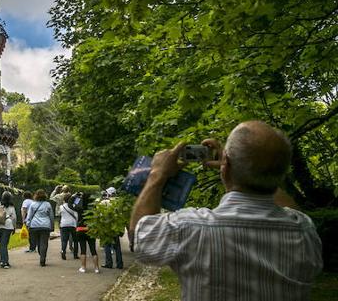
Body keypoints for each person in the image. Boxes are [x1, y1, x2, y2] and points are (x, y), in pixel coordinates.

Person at [129, 121, 323, 301]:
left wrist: (157, 174)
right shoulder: (303, 231)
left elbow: (140, 236)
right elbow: (290, 209)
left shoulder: (191, 229)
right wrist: (241, 167)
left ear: (226, 166)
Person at [25, 189, 54, 266]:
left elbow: (29, 216)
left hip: (34, 226)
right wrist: (52, 226)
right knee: (44, 243)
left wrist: (28, 224)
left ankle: (41, 254)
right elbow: (51, 216)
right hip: (45, 226)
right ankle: (42, 258)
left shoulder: (33, 204)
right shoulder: (48, 204)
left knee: (38, 243)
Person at [72, 192, 100, 273]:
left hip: (81, 229)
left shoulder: (79, 208)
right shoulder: (93, 208)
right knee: (93, 250)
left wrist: (77, 197)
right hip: (91, 229)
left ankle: (83, 267)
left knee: (83, 249)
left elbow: (72, 204)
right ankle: (96, 268)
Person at [100, 187, 123, 269]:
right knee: (117, 246)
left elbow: (100, 215)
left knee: (107, 245)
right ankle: (120, 264)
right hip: (116, 226)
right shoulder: (119, 202)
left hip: (107, 225)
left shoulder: (104, 202)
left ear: (108, 193)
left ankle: (109, 263)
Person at [0, 191, 17, 268]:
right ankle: (4, 262)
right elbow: (14, 219)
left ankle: (4, 260)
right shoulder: (11, 208)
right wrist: (14, 228)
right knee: (3, 245)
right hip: (7, 226)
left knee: (2, 244)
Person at [59, 192, 79, 260]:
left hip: (64, 224)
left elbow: (60, 214)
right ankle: (75, 255)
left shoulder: (61, 207)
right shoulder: (73, 206)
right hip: (72, 224)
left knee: (64, 240)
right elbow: (76, 216)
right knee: (75, 240)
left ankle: (63, 251)